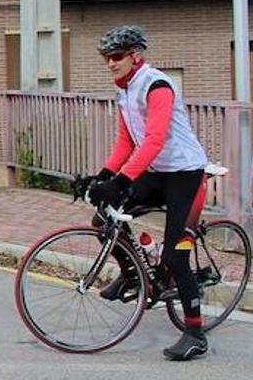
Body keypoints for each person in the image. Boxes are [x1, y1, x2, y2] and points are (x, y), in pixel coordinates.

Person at [78, 25, 211, 362]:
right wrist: (104, 177)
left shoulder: (157, 85)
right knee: (102, 218)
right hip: (156, 173)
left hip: (185, 174)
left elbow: (154, 139)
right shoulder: (124, 89)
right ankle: (131, 276)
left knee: (176, 257)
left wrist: (122, 181)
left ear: (136, 56)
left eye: (117, 56)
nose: (110, 62)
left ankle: (194, 332)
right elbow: (126, 141)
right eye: (106, 57)